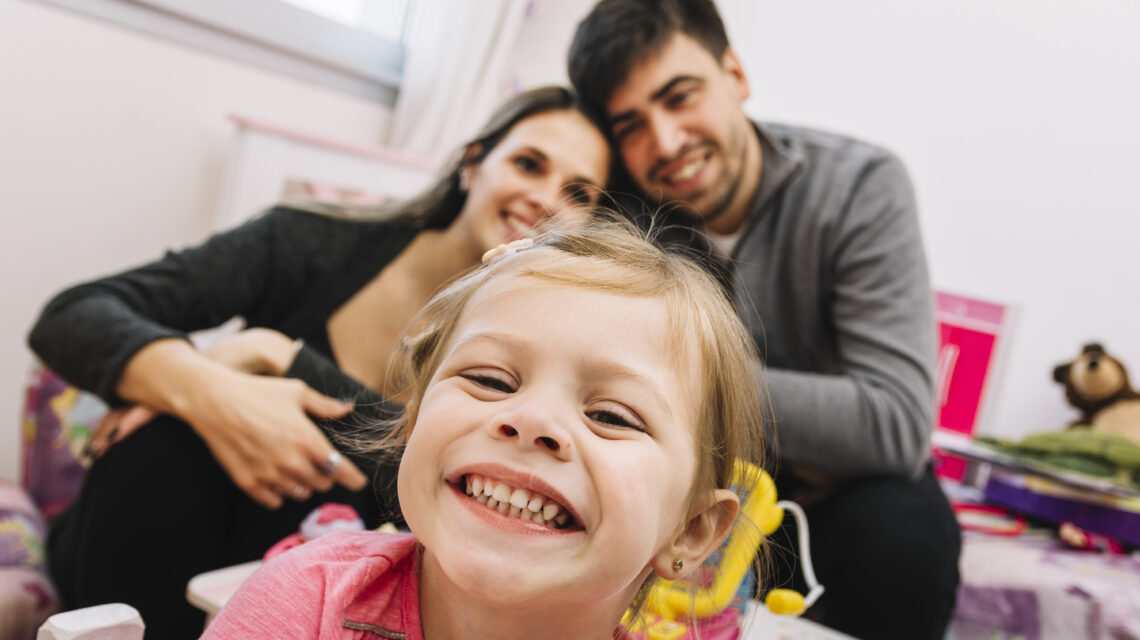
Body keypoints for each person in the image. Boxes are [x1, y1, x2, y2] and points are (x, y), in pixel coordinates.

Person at [27, 86, 611, 639]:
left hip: (320, 587)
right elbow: (74, 315)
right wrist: (202, 384)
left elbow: (430, 480)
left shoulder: (545, 343)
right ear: (473, 162)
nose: (545, 200)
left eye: (578, 193)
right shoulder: (308, 241)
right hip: (149, 543)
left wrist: (280, 356)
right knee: (171, 438)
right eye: (529, 164)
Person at [567, 2, 961, 638]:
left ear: (736, 74)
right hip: (677, 484)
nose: (666, 143)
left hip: (829, 510)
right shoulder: (619, 208)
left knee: (907, 530)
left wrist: (693, 379)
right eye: (632, 125)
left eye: (680, 96)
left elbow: (895, 423)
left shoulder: (859, 186)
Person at [200, 216, 768, 640]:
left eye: (611, 416)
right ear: (415, 419)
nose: (530, 421)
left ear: (691, 532)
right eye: (492, 380)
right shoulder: (305, 603)